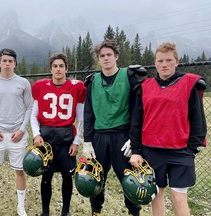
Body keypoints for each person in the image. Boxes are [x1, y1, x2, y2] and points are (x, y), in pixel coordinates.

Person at [129, 42, 207, 216]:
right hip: (152, 150)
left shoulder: (189, 83)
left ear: (176, 62)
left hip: (180, 151)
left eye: (168, 60)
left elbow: (198, 121)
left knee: (179, 198)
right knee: (156, 195)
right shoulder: (145, 86)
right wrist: (135, 150)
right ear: (155, 63)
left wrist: (191, 148)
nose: (164, 64)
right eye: (160, 61)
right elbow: (136, 122)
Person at [83, 40, 144, 216]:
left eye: (109, 54)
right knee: (95, 177)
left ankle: (134, 213)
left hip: (122, 136)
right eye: (102, 56)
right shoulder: (92, 81)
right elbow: (88, 113)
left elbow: (136, 110)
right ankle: (96, 211)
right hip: (99, 136)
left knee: (130, 179)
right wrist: (87, 141)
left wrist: (134, 139)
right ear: (98, 59)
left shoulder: (129, 76)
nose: (106, 58)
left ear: (116, 56)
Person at [30, 53, 86, 216]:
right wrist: (36, 134)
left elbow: (80, 118)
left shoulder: (76, 87)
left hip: (66, 140)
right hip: (47, 140)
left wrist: (76, 141)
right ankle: (45, 212)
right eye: (55, 66)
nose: (58, 69)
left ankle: (65, 211)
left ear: (66, 68)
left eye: (61, 66)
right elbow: (34, 115)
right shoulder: (41, 86)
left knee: (67, 177)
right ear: (50, 68)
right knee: (45, 177)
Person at [0, 48, 33, 216]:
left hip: (17, 136)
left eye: (10, 61)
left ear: (15, 63)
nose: (7, 64)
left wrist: (21, 129)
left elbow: (30, 107)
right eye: (4, 60)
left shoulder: (23, 83)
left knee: (20, 171)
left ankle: (21, 206)